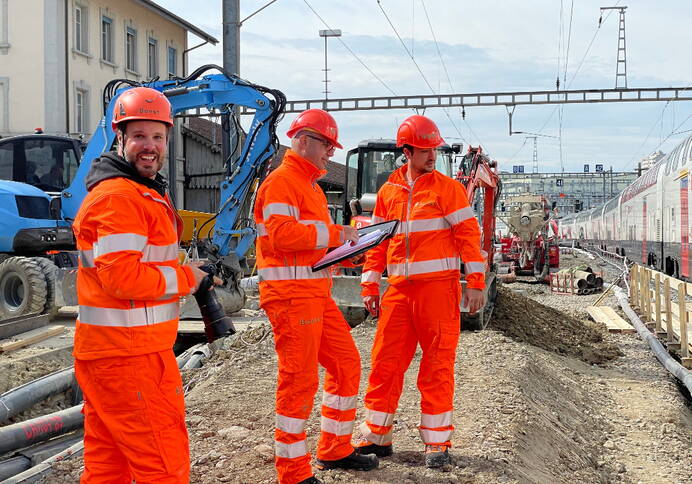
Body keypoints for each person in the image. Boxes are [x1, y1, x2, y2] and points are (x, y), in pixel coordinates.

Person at [72, 86, 210, 483]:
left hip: (116, 352)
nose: (149, 146)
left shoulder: (134, 193)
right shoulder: (120, 198)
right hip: (129, 357)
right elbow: (122, 278)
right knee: (163, 467)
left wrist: (186, 269)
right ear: (120, 138)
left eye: (157, 137)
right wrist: (188, 277)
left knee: (107, 466)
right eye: (139, 136)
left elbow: (135, 264)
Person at [254, 108, 379, 484]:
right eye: (327, 144)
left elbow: (307, 241)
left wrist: (341, 249)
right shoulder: (282, 183)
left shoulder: (307, 185)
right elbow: (283, 236)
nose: (331, 153)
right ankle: (292, 472)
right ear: (303, 141)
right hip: (292, 296)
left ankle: (334, 448)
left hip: (313, 292)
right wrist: (336, 236)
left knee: (345, 365)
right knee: (299, 379)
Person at [355, 114, 486, 468]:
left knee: (437, 366)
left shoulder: (449, 190)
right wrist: (370, 282)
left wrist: (474, 283)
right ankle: (377, 437)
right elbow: (377, 244)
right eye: (425, 150)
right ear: (407, 151)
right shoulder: (387, 192)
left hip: (438, 293)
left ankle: (437, 444)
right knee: (385, 364)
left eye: (434, 149)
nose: (432, 156)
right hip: (398, 291)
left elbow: (469, 240)